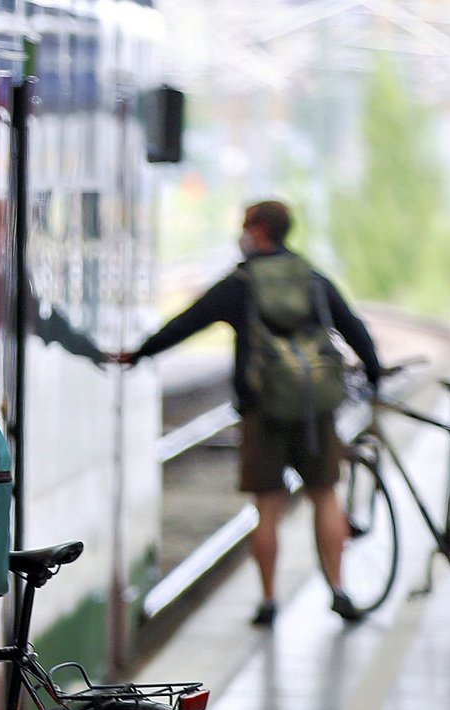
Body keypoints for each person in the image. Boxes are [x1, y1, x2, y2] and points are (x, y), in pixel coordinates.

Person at [109, 200, 385, 627]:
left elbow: (187, 322)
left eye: (244, 226)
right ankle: (338, 587)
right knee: (325, 497)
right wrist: (374, 372)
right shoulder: (312, 278)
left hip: (263, 409)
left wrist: (140, 352)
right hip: (315, 408)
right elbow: (353, 327)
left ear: (258, 230)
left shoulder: (239, 284)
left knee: (268, 506)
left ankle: (269, 600)